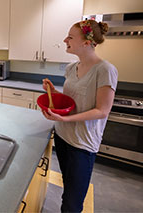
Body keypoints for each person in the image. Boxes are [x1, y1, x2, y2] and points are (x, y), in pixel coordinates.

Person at [42, 20, 118, 213]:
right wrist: (54, 92)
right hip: (63, 137)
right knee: (68, 188)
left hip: (82, 144)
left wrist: (64, 119)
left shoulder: (105, 70)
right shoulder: (71, 68)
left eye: (70, 37)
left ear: (86, 42)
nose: (65, 40)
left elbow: (102, 110)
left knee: (72, 203)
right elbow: (71, 102)